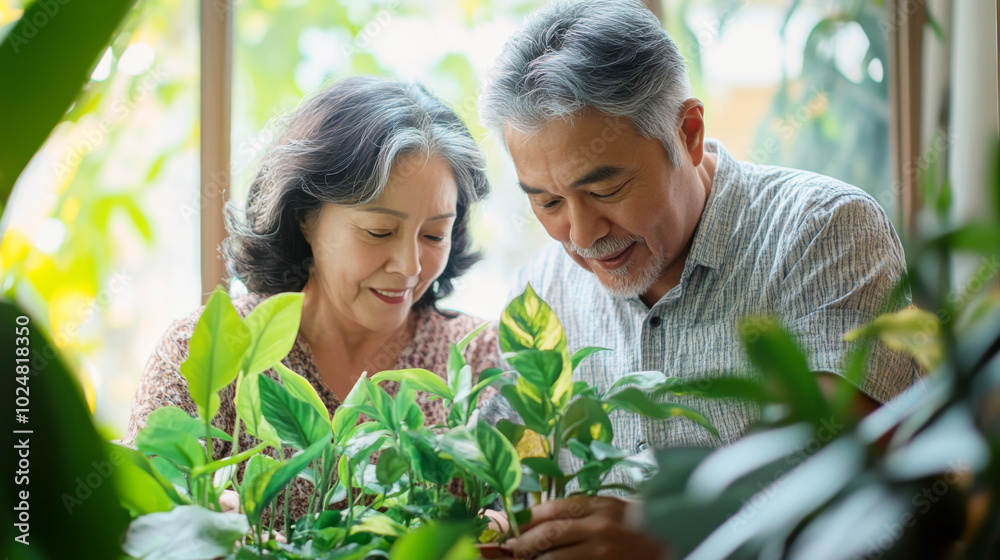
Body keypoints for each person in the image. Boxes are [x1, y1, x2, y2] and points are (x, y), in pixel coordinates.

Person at [476, 1, 922, 558]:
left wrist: (676, 534)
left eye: (605, 189)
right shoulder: (541, 295)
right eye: (546, 201)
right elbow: (494, 475)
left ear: (686, 132)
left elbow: (844, 482)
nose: (583, 233)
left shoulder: (823, 232)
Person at [121, 77, 498, 528]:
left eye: (435, 234)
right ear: (305, 217)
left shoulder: (478, 359)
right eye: (379, 231)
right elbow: (137, 514)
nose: (409, 265)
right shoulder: (213, 348)